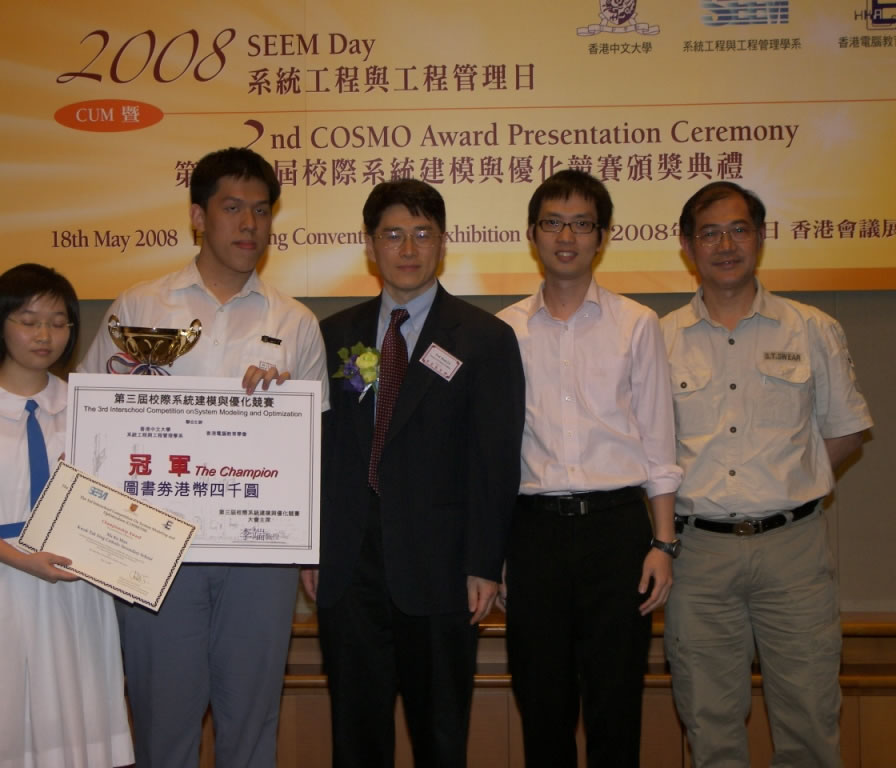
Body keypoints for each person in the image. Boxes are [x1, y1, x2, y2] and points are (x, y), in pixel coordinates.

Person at [79, 147, 328, 768]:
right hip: (153, 550)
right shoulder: (139, 307)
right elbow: (89, 425)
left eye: (262, 211)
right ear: (197, 216)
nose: (249, 224)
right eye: (232, 207)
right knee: (164, 727)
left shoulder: (295, 323)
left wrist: (311, 547)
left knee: (251, 724)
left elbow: (317, 451)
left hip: (258, 552)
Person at [302, 179, 525, 767]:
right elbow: (316, 452)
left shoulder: (485, 339)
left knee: (441, 736)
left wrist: (484, 562)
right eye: (393, 234)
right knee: (356, 738)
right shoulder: (332, 336)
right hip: (349, 569)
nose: (408, 248)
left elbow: (495, 462)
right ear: (370, 246)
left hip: (443, 570)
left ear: (443, 244)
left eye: (423, 234)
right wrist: (310, 549)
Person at [661, 181, 873, 767]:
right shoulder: (658, 340)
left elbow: (847, 430)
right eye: (709, 233)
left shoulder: (811, 329)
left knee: (809, 721)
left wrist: (783, 486)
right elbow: (648, 454)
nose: (725, 244)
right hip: (698, 556)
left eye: (739, 229)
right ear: (686, 246)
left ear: (760, 237)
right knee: (710, 727)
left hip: (793, 553)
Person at [496, 169, 682, 767]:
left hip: (616, 532)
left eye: (582, 223)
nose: (567, 235)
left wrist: (662, 543)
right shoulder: (503, 331)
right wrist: (493, 553)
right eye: (553, 222)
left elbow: (659, 443)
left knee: (616, 704)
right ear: (533, 234)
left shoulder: (637, 323)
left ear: (601, 236)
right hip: (532, 532)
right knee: (542, 705)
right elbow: (493, 454)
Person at [0, 263, 133, 768]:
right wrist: (24, 560)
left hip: (74, 585)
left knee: (73, 722)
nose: (45, 334)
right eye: (29, 319)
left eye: (59, 321)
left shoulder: (89, 405)